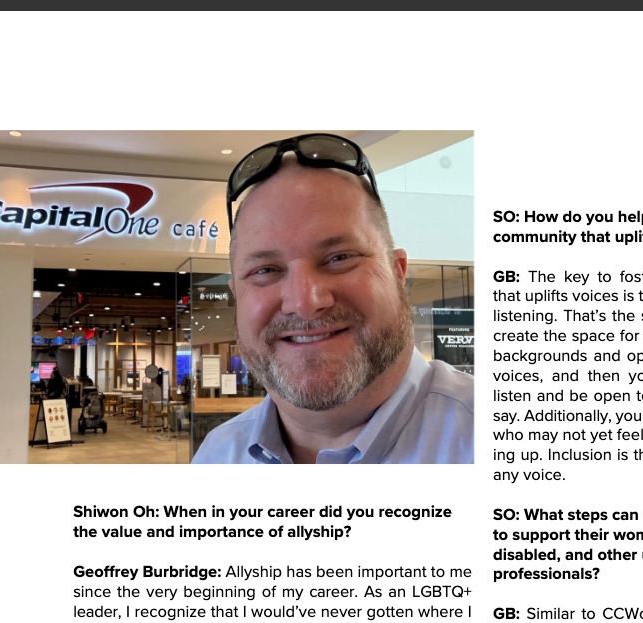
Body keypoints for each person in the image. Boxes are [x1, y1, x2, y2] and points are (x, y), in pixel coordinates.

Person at [192, 133, 472, 465]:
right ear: (237, 295)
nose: (304, 302)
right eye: (266, 269)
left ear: (398, 273)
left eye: (339, 258)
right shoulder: (218, 455)